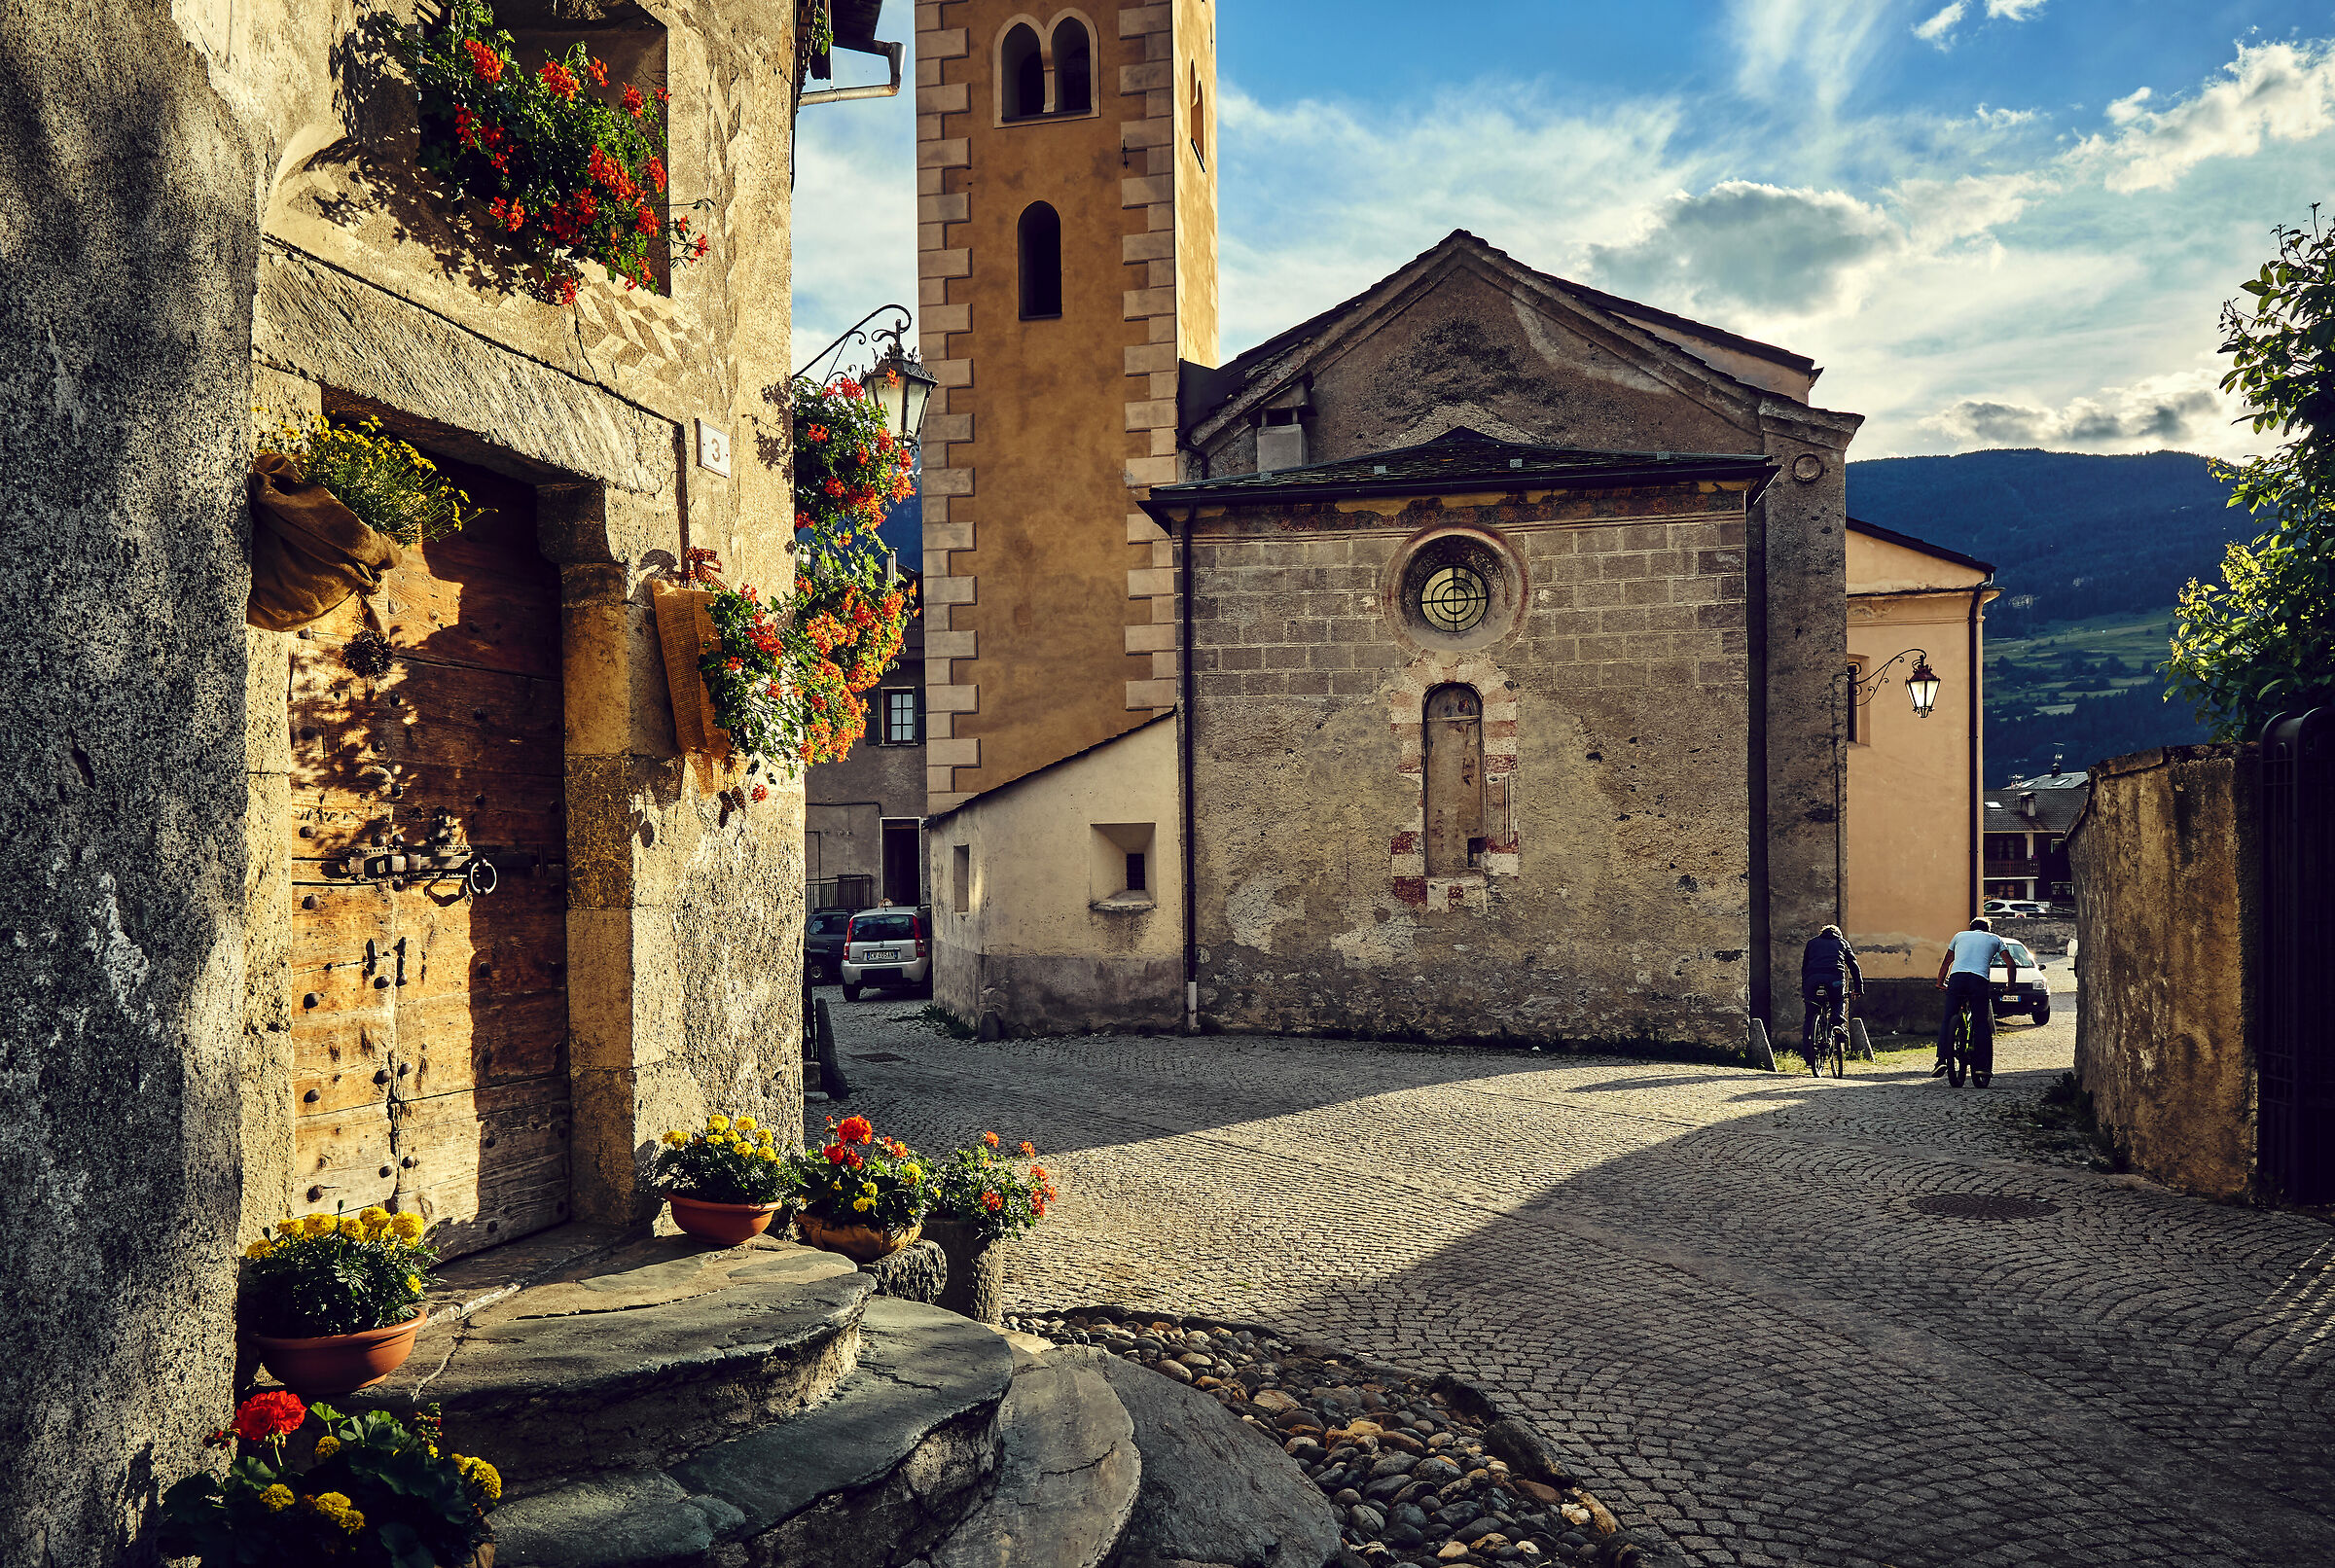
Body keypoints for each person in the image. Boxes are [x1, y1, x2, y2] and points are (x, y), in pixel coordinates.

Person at [1934, 915, 2010, 1085]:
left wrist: (1940, 983)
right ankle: (1982, 1066)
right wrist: (2010, 986)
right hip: (1978, 980)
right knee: (1981, 1022)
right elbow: (2010, 963)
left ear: (1971, 928)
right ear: (1987, 930)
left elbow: (1947, 962)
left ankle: (1941, 1060)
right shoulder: (1995, 939)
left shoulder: (1959, 936)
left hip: (1957, 979)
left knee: (1948, 1018)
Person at [1800, 925, 1863, 1058]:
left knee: (1810, 1015)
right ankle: (1838, 1023)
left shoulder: (1812, 943)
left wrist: (1805, 989)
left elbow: (1805, 967)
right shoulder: (1842, 943)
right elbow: (1853, 966)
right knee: (1838, 1000)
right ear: (1838, 934)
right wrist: (1858, 989)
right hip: (1835, 980)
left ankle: (1808, 1056)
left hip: (1813, 980)